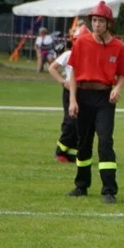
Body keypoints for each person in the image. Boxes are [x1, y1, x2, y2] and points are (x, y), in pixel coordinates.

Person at [66, 1, 124, 203]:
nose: (97, 24)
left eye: (101, 21)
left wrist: (117, 88)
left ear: (108, 23)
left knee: (105, 141)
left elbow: (122, 75)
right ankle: (81, 185)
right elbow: (73, 73)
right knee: (83, 143)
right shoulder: (81, 43)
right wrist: (73, 100)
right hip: (83, 96)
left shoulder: (117, 46)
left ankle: (109, 189)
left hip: (104, 98)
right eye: (94, 20)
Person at [48, 23, 88, 162]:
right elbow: (52, 68)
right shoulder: (68, 54)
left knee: (80, 124)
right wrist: (62, 82)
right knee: (70, 122)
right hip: (69, 91)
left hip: (83, 92)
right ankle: (60, 151)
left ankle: (72, 152)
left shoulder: (89, 56)